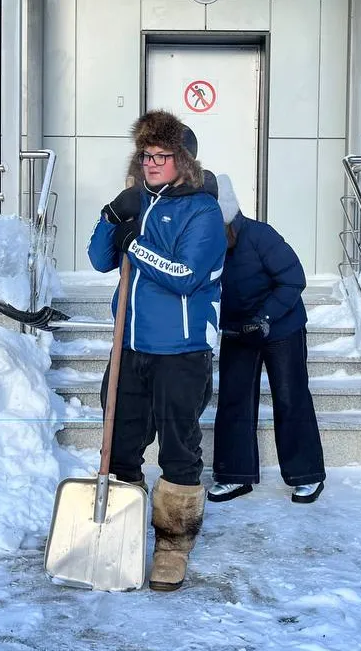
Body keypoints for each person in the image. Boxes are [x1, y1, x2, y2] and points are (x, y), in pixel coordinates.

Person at [87, 109, 227, 592]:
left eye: (161, 155)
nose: (150, 163)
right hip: (129, 346)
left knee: (178, 448)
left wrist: (137, 244)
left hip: (181, 350)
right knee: (120, 445)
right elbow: (100, 260)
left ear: (183, 161)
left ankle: (173, 544)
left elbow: (185, 276)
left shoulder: (204, 212)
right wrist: (112, 216)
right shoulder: (137, 202)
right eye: (146, 155)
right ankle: (119, 534)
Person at [206, 174, 326, 505]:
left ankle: (307, 475)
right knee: (233, 400)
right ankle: (233, 476)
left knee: (290, 396)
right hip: (238, 330)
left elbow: (293, 279)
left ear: (230, 220)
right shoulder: (205, 247)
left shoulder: (261, 236)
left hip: (281, 326)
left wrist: (265, 317)